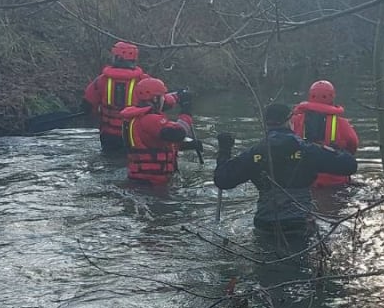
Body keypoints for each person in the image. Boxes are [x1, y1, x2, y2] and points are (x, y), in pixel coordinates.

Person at [213, 103, 358, 235]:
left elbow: (222, 180)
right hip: (298, 224)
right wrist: (336, 150)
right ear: (289, 121)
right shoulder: (307, 150)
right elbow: (350, 166)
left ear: (266, 123)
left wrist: (224, 151)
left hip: (265, 225)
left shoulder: (255, 152)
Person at [83, 41, 183, 153]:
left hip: (108, 135)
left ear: (117, 57)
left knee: (109, 159)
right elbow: (163, 103)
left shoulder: (101, 80)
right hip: (132, 134)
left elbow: (87, 106)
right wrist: (177, 97)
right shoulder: (143, 81)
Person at [120, 78, 201, 185]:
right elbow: (178, 134)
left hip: (141, 179)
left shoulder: (135, 116)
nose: (164, 99)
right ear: (155, 99)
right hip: (153, 182)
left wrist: (185, 146)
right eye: (162, 96)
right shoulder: (150, 119)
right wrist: (186, 112)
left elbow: (154, 144)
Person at [291, 80, 359, 187]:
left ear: (310, 96)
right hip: (335, 181)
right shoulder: (341, 123)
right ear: (332, 97)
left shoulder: (295, 121)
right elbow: (352, 146)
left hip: (305, 180)